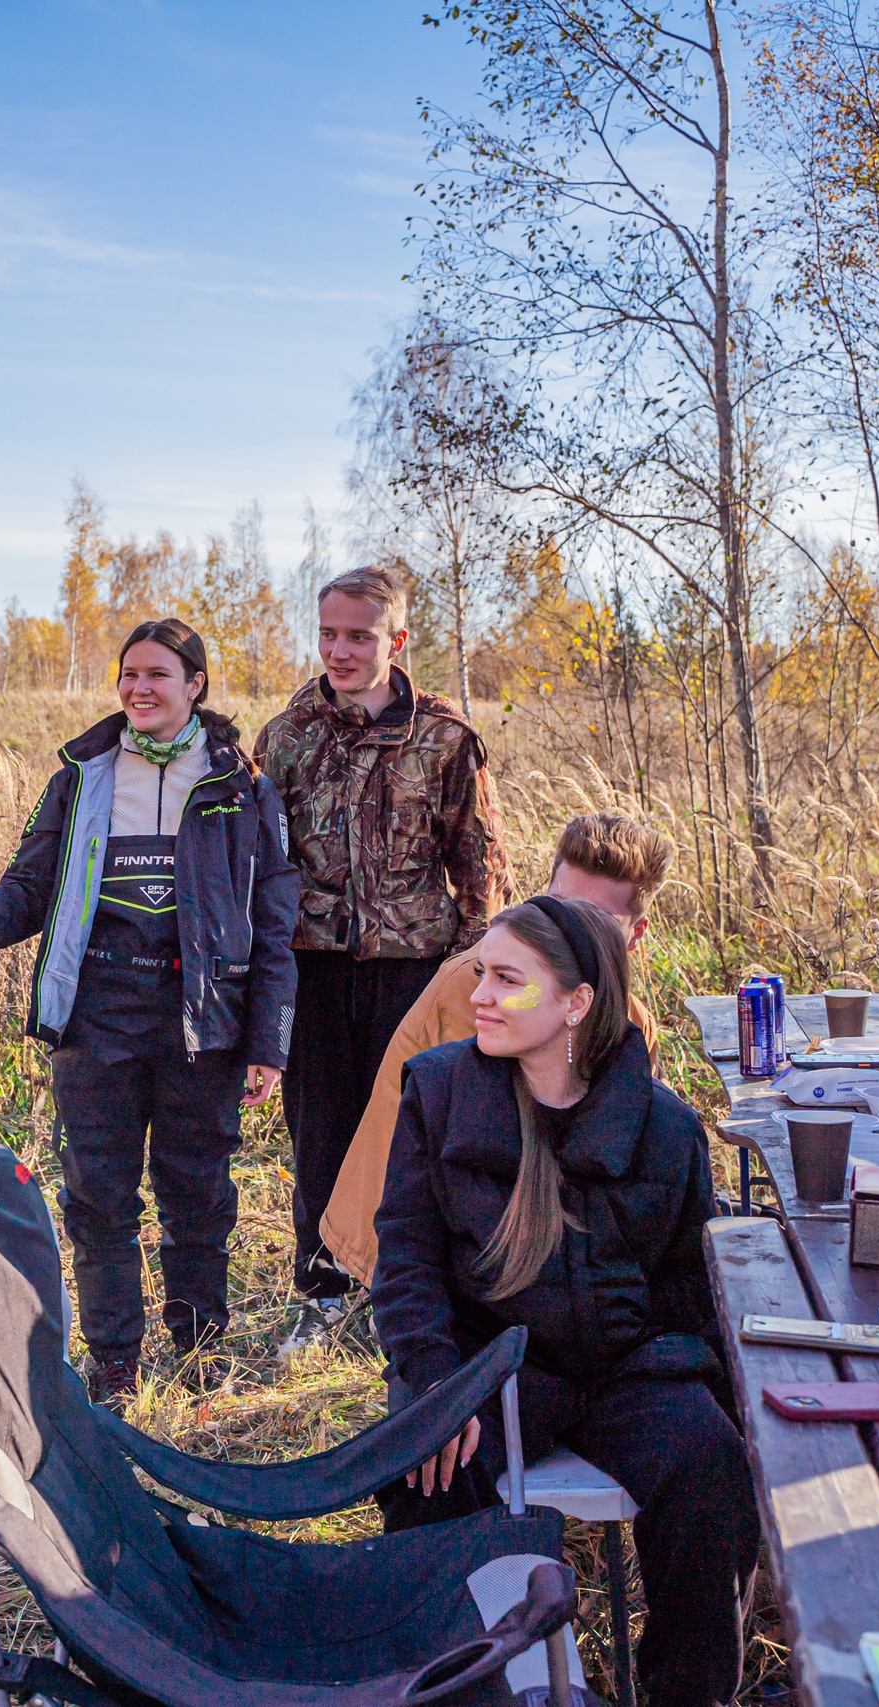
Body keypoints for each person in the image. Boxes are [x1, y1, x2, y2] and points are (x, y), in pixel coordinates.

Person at [0, 620, 296, 1405]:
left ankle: (200, 1353)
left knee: (198, 1195)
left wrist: (269, 1041)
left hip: (199, 1023)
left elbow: (275, 926)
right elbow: (28, 888)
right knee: (97, 1196)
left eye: (158, 674)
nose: (140, 688)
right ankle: (114, 1362)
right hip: (97, 1017)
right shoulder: (82, 776)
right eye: (129, 674)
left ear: (196, 686)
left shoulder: (242, 787)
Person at [372, 896, 755, 1707]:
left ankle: (687, 1694)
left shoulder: (666, 1129)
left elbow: (692, 1290)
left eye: (507, 979)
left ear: (576, 1001)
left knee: (708, 1462)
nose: (477, 994)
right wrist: (441, 1386)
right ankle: (466, 1690)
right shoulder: (438, 1094)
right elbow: (404, 1262)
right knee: (428, 1474)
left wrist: (706, 1390)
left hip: (626, 1369)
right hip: (491, 1367)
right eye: (481, 973)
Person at [256, 564, 510, 1358]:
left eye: (359, 635)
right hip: (314, 966)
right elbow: (259, 860)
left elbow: (481, 864)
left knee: (415, 1128)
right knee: (322, 1133)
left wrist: (476, 972)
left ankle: (413, 1288)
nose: (340, 649)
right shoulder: (287, 735)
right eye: (328, 633)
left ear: (395, 641)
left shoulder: (444, 736)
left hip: (416, 966)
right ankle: (326, 1292)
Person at [318, 811, 675, 1284]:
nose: (570, 931)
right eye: (560, 906)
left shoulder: (631, 1023)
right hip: (417, 1246)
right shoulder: (478, 991)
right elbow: (454, 1174)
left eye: (599, 920)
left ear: (636, 935)